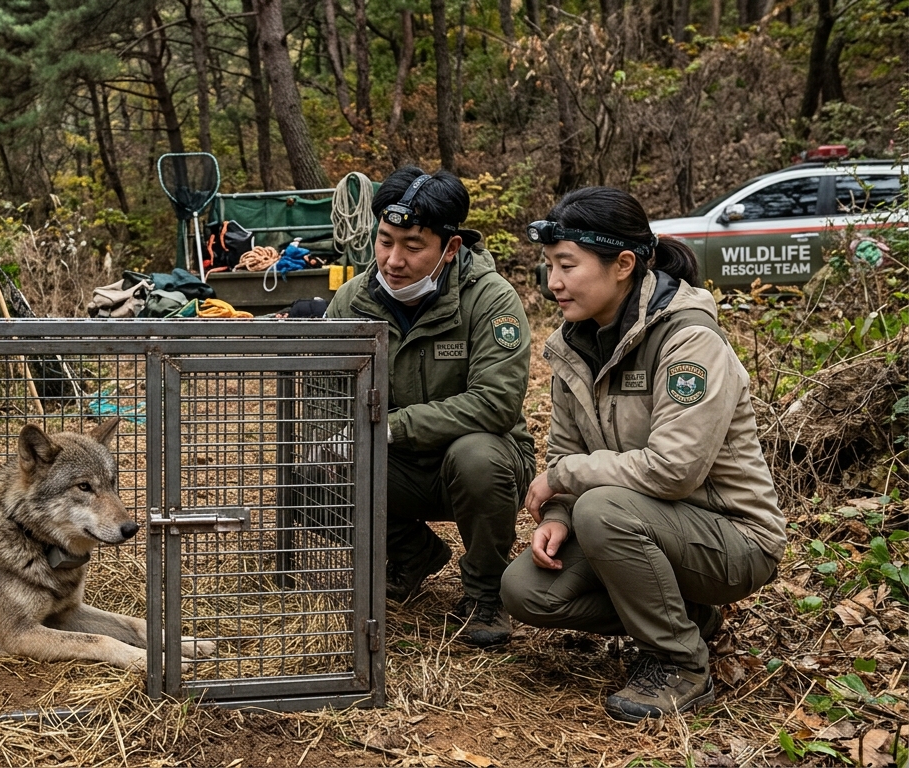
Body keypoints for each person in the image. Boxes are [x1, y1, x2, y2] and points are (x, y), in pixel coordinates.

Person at [500, 186, 786, 721]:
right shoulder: (572, 342)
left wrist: (564, 480)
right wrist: (559, 514)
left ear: (623, 264)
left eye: (566, 265)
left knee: (600, 509)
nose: (553, 283)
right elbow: (567, 445)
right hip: (637, 523)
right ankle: (687, 619)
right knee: (526, 591)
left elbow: (673, 469)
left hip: (732, 538)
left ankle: (679, 663)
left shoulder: (690, 340)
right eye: (549, 266)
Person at [326, 166, 535, 647]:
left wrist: (390, 427)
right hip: (394, 468)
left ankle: (485, 594)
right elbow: (321, 391)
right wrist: (332, 440)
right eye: (384, 241)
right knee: (310, 467)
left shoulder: (489, 298)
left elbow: (496, 403)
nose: (393, 260)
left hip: (478, 470)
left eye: (413, 246)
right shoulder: (352, 300)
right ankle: (412, 553)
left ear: (451, 248)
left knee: (476, 456)